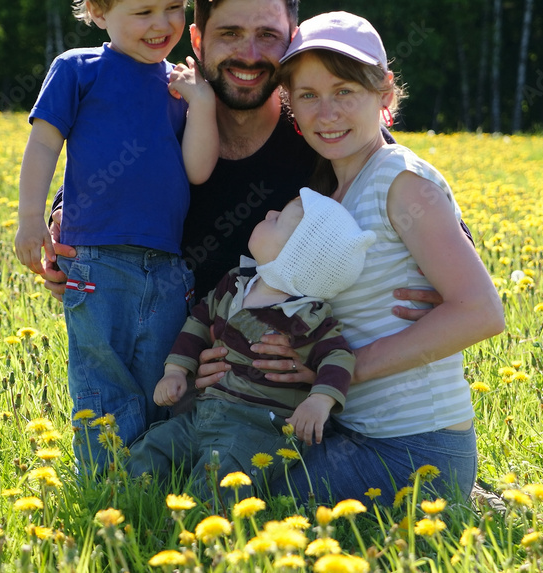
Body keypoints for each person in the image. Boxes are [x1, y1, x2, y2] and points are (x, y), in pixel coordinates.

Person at [40, 0, 442, 380]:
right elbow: (107, 163)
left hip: (289, 388)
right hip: (172, 370)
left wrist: (438, 263)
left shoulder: (318, 132)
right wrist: (67, 222)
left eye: (267, 36)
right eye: (230, 33)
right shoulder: (167, 112)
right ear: (197, 40)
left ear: (291, 42)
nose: (249, 54)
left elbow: (389, 169)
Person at [258, 11, 506, 502]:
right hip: (358, 432)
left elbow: (481, 312)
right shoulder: (332, 189)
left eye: (345, 91)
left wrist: (338, 371)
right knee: (232, 472)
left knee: (254, 505)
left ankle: (462, 496)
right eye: (308, 95)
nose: (325, 113)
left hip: (415, 446)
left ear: (385, 93)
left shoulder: (401, 181)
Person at [13, 0, 218, 473]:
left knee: (161, 382)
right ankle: (105, 484)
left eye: (174, 8)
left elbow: (197, 171)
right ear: (100, 13)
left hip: (170, 266)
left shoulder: (180, 86)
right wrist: (32, 217)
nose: (162, 24)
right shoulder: (78, 70)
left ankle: (150, 481)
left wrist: (201, 105)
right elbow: (43, 146)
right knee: (102, 378)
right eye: (143, 11)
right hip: (95, 259)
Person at [126, 189, 375, 497]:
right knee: (151, 450)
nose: (269, 214)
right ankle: (133, 508)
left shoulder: (307, 317)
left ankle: (202, 534)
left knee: (222, 478)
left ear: (293, 257)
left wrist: (319, 401)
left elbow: (338, 356)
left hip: (257, 428)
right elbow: (198, 322)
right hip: (204, 414)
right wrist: (175, 370)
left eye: (279, 219)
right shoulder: (235, 282)